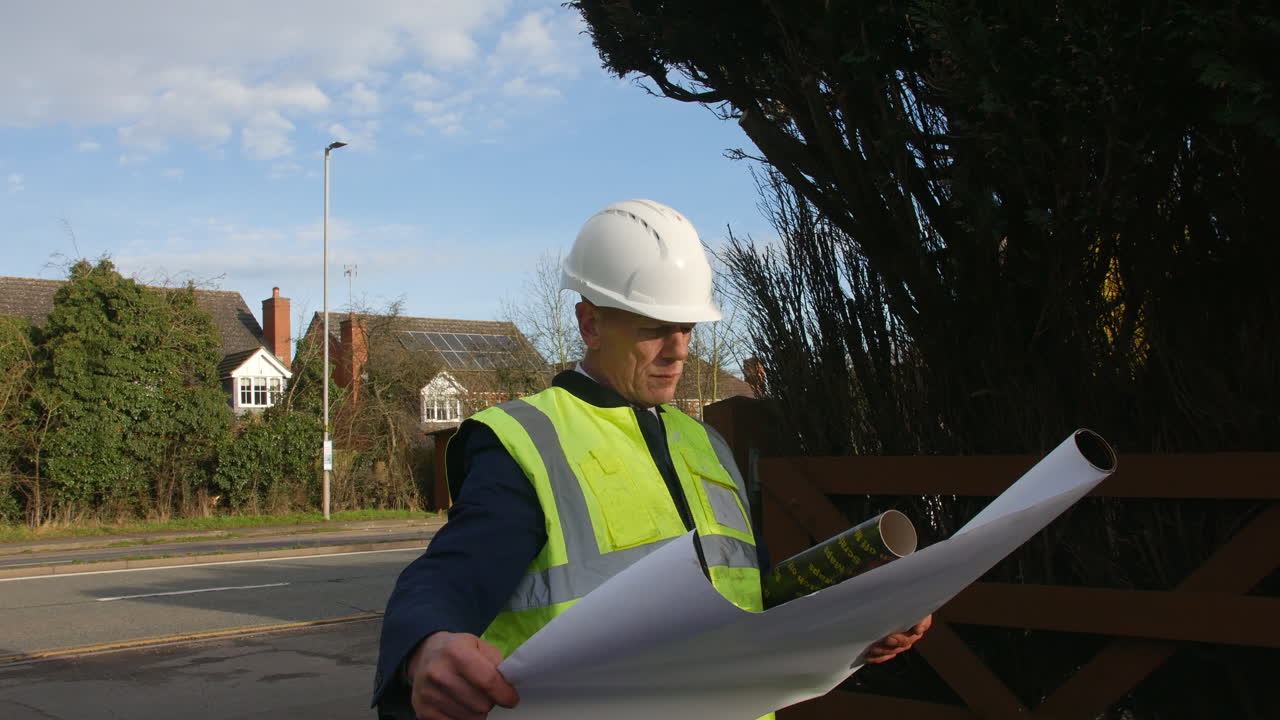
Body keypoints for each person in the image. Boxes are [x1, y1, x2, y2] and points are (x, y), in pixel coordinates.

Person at [373, 199, 932, 720]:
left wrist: (860, 620)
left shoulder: (704, 442)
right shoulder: (527, 440)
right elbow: (449, 575)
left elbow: (751, 599)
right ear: (590, 323)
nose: (681, 349)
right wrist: (427, 644)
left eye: (687, 326)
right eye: (655, 329)